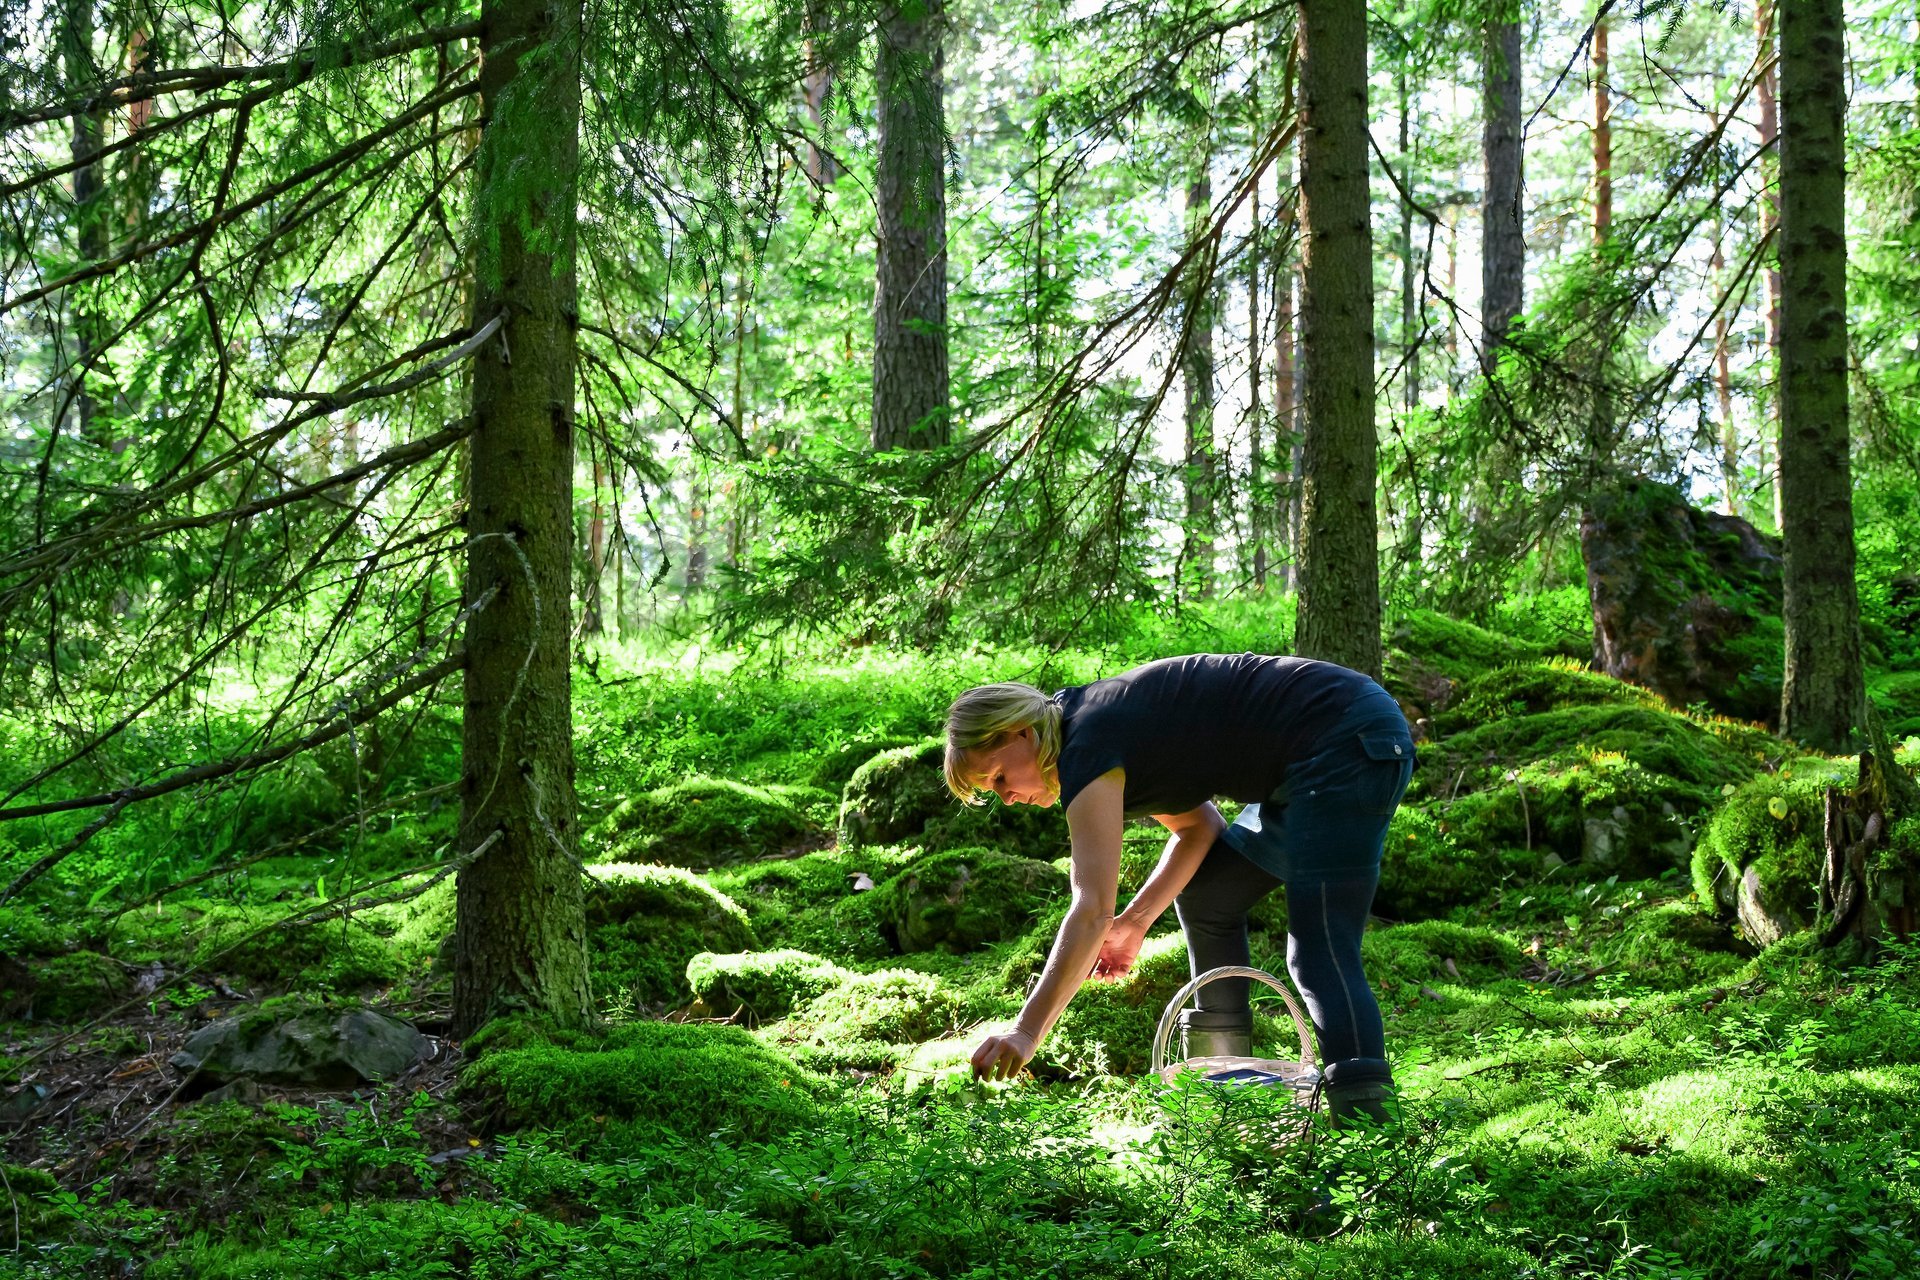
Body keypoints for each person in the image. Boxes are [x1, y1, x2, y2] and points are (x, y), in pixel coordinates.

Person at [943, 652, 1414, 1126]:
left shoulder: (1085, 745)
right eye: (991, 790)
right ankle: (1230, 1095)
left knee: (1318, 950)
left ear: (1020, 731)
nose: (1004, 796)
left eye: (999, 776)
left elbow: (1089, 912)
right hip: (1309, 764)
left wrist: (1026, 1033)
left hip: (1343, 741)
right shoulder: (1095, 730)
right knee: (1211, 895)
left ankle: (1370, 1146)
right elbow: (1199, 827)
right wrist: (1135, 923)